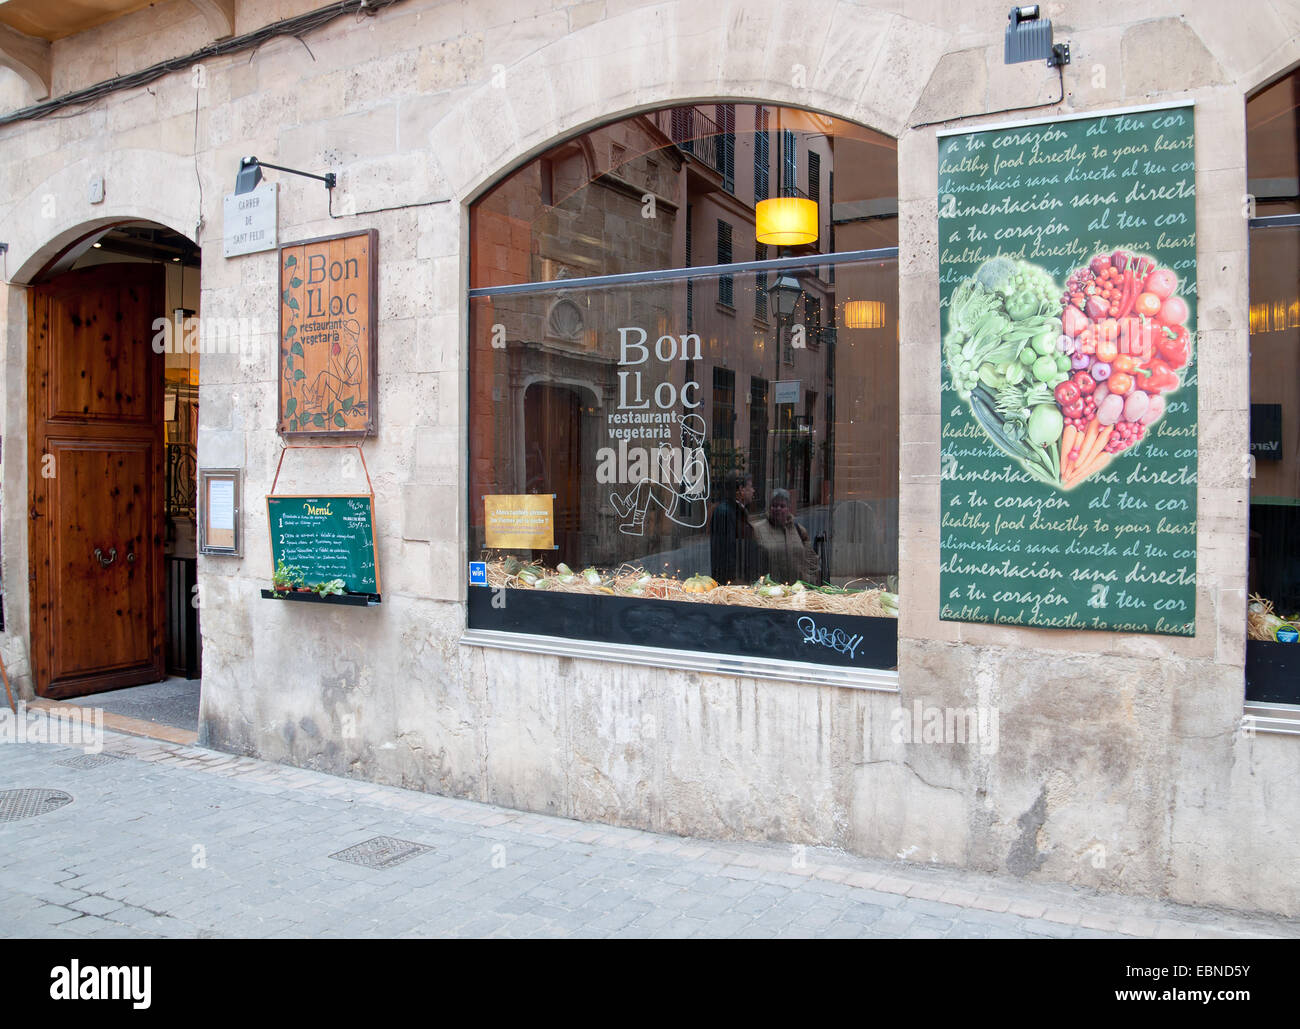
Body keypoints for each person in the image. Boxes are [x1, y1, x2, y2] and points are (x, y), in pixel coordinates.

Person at [610, 414, 709, 536]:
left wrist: (664, 475)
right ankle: (633, 518)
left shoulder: (697, 459)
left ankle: (631, 515)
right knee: (646, 483)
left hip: (686, 506)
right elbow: (677, 486)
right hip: (681, 502)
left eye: (685, 432)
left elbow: (691, 494)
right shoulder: (691, 455)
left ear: (694, 437)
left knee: (646, 483)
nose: (681, 435)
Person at [753, 488, 821, 585]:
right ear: (769, 507)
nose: (778, 509)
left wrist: (809, 581)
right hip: (769, 593)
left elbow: (812, 560)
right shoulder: (757, 530)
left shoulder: (799, 530)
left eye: (782, 506)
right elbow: (751, 564)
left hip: (797, 593)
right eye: (774, 505)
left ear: (788, 508)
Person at [710, 471, 760, 584]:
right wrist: (733, 579)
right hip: (733, 582)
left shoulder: (737, 510)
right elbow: (724, 552)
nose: (753, 490)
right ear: (741, 489)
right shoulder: (725, 512)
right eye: (751, 487)